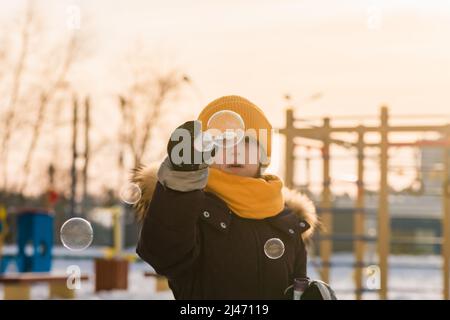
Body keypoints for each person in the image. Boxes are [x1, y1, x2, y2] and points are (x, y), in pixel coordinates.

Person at [133, 95, 318, 299]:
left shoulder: (288, 224)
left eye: (247, 141)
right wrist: (180, 183)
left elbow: (294, 290)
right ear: (203, 152)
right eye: (222, 142)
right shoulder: (187, 208)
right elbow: (162, 254)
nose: (235, 151)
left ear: (263, 156)